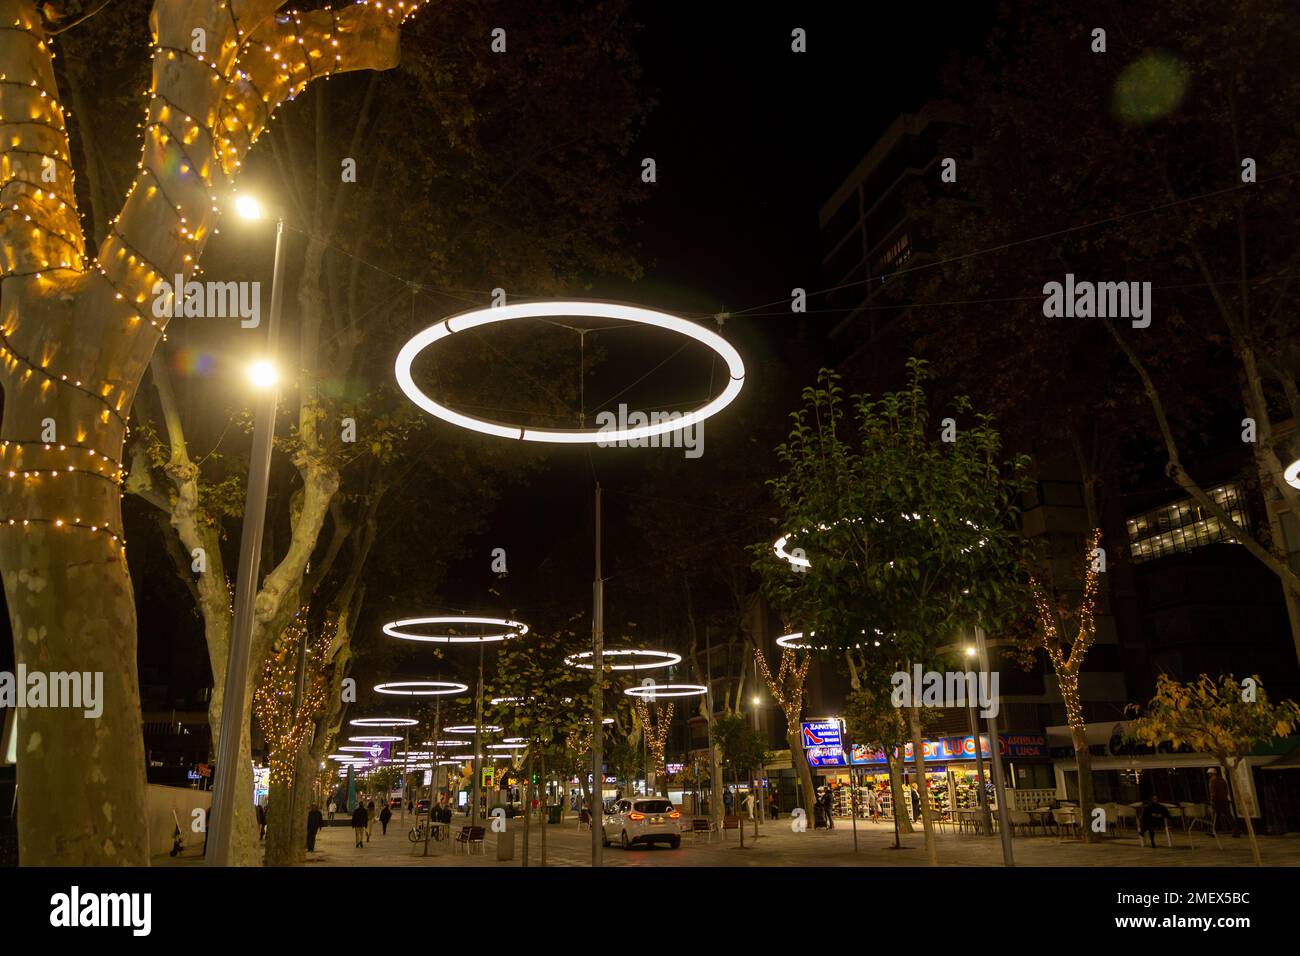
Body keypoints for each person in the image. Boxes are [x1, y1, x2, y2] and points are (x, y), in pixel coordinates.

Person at [1208, 768, 1238, 837]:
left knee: (1216, 816)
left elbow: (1213, 792)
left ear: (1211, 774)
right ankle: (1236, 831)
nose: (1209, 775)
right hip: (1224, 800)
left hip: (1217, 801)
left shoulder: (1212, 780)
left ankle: (1214, 831)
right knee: (1229, 816)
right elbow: (1226, 790)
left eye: (1209, 774)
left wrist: (1212, 801)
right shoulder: (1222, 780)